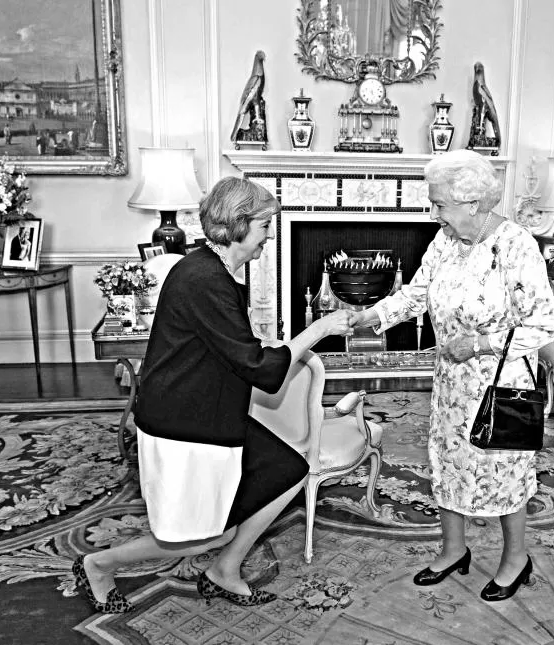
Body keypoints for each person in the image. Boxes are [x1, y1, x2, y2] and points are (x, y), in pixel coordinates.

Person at [72, 177, 355, 613]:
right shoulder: (204, 278)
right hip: (185, 423)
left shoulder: (213, 269)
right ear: (239, 225)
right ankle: (99, 564)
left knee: (288, 468)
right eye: (264, 226)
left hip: (211, 408)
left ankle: (226, 569)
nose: (269, 237)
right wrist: (318, 329)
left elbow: (234, 345)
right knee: (203, 533)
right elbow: (260, 369)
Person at [349, 150, 554, 602]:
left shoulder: (516, 246)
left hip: (501, 383)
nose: (434, 213)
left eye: (440, 204)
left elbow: (542, 324)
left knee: (503, 469)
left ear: (473, 204)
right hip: (452, 382)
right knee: (448, 463)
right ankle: (453, 550)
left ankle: (515, 559)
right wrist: (367, 316)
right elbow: (414, 295)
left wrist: (479, 343)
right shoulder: (443, 241)